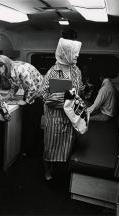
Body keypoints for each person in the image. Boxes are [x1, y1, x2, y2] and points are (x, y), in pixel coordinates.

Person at [41, 38, 83, 180]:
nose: (77, 55)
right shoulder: (52, 72)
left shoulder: (76, 70)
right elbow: (45, 96)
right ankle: (47, 171)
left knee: (67, 146)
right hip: (55, 118)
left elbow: (79, 90)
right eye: (74, 52)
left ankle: (63, 172)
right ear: (65, 53)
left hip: (70, 117)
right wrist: (60, 100)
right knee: (50, 147)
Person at [0, 54, 45, 155]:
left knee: (31, 124)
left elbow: (33, 89)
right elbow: (14, 87)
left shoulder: (20, 69)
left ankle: (31, 153)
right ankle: (27, 149)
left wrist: (25, 101)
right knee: (27, 123)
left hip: (38, 96)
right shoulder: (11, 71)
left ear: (3, 65)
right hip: (31, 93)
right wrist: (6, 98)